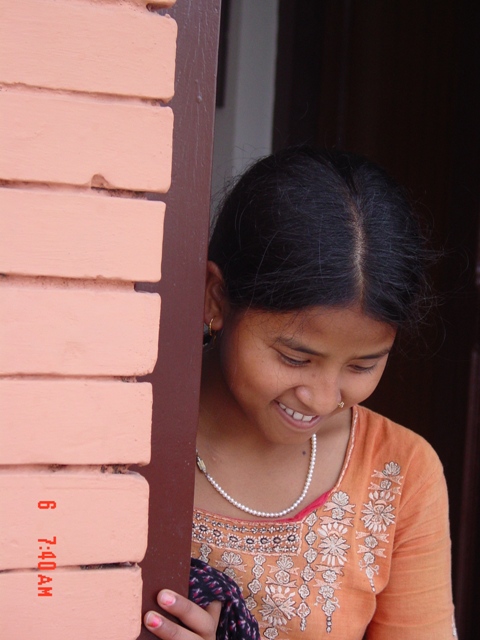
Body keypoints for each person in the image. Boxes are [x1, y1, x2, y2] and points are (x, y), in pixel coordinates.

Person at [145, 147, 456, 639]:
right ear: (215, 297)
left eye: (362, 365)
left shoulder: (400, 473)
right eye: (295, 358)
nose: (322, 398)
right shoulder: (128, 433)